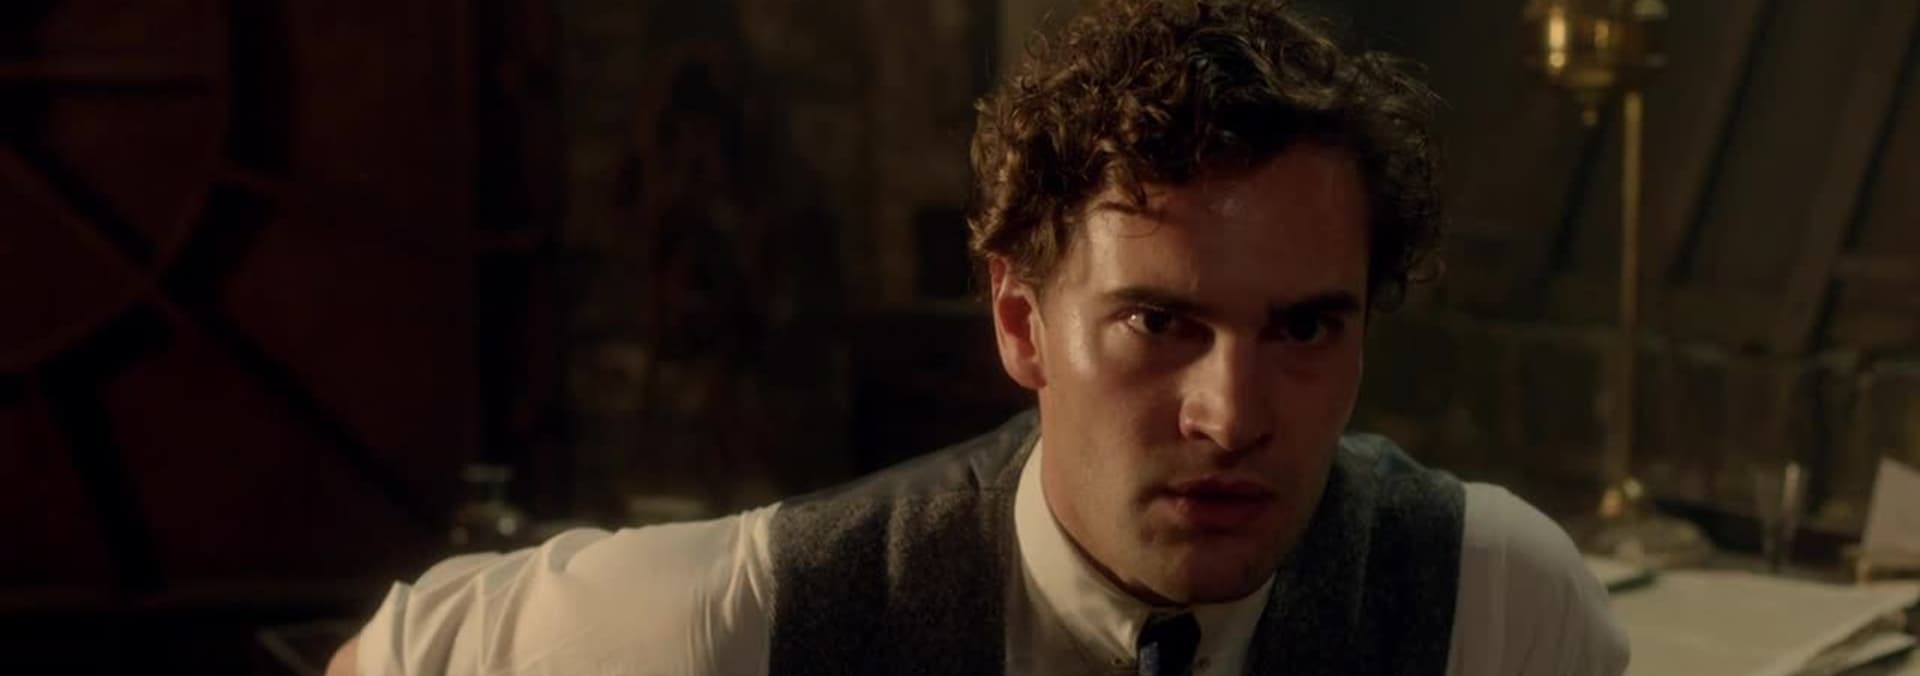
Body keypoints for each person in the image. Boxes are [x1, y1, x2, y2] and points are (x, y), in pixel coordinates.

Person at [330, 1, 1628, 674]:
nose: (1232, 415)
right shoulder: (779, 610)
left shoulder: (1489, 601)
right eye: (1158, 322)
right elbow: (398, 656)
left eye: (1304, 326)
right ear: (1022, 322)